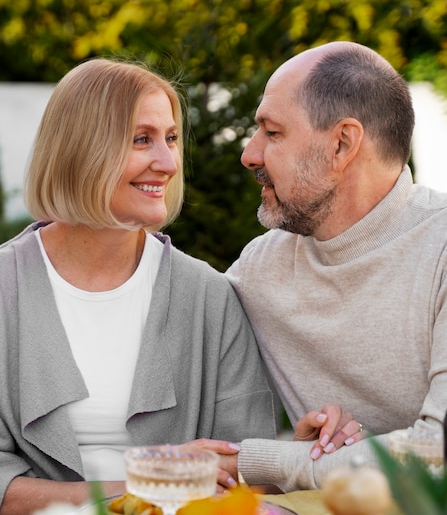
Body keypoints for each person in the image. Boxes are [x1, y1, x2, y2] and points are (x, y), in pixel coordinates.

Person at [0, 58, 278, 515]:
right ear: (79, 148)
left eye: (170, 138)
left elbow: (252, 476)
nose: (168, 163)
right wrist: (152, 477)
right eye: (141, 139)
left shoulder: (210, 297)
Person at [226, 41, 447, 491]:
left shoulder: (440, 250)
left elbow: (436, 454)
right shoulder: (258, 271)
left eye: (272, 132)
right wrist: (307, 451)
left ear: (342, 144)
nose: (249, 154)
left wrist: (266, 462)